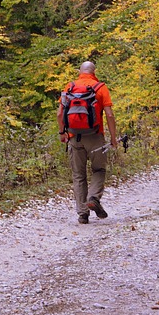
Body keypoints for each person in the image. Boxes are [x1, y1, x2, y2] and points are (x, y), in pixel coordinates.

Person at [59, 61, 119, 223]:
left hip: (74, 137)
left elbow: (60, 113)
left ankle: (83, 214)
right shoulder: (100, 88)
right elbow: (109, 115)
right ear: (94, 71)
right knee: (99, 170)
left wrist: (62, 133)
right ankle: (93, 197)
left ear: (80, 71)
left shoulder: (69, 87)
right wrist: (113, 138)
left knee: (79, 175)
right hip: (95, 136)